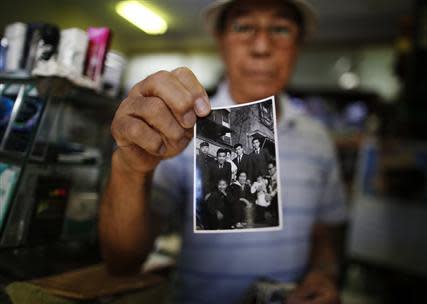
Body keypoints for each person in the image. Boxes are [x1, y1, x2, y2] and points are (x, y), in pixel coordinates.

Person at [99, 1, 347, 303]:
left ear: (299, 43)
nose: (261, 46)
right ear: (220, 39)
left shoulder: (318, 138)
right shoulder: (179, 128)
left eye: (280, 29)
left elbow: (325, 233)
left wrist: (323, 273)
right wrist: (130, 166)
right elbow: (123, 261)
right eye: (243, 27)